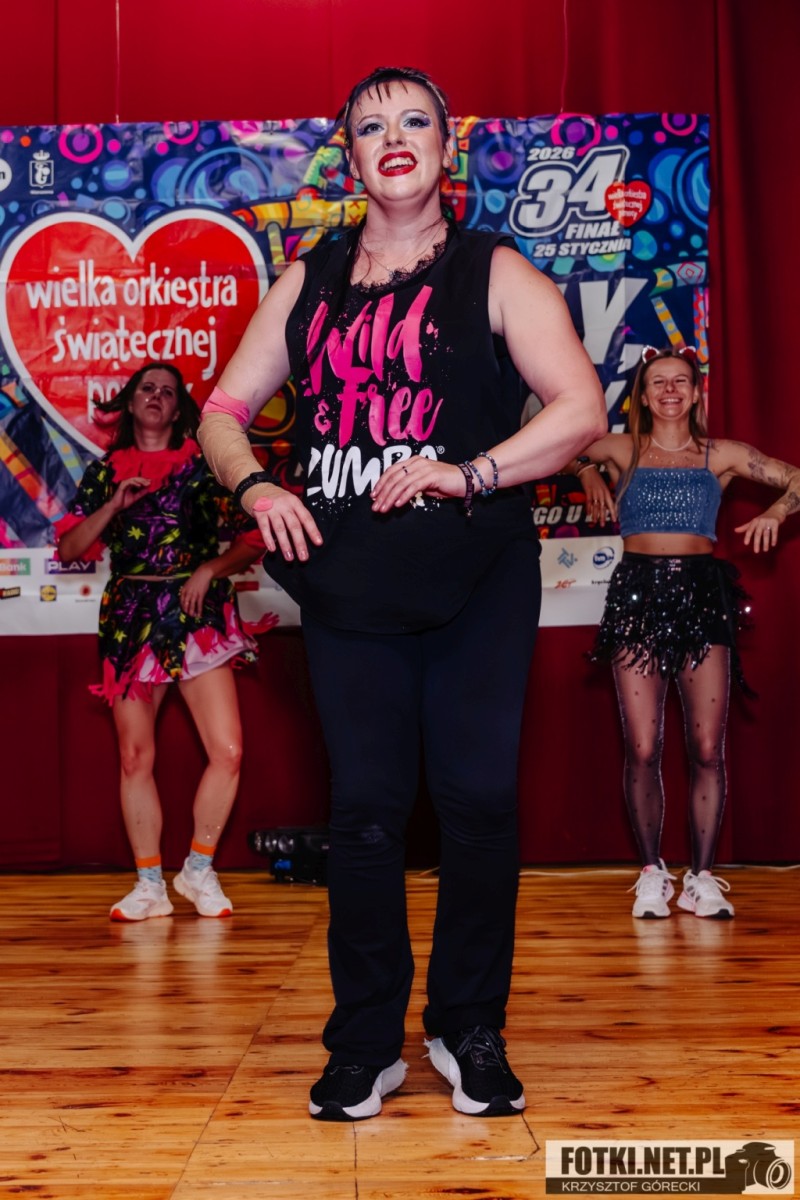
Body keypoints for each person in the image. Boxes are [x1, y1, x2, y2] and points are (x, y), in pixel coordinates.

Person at [198, 65, 607, 1122]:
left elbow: (579, 409)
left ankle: (468, 1028)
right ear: (347, 155)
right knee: (367, 814)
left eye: (415, 120)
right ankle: (365, 1041)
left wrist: (471, 471)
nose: (394, 136)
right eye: (371, 124)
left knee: (477, 804)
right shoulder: (309, 279)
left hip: (476, 574)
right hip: (352, 583)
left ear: (443, 147)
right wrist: (256, 485)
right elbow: (222, 410)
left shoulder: (495, 270)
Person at [578, 345, 800, 920]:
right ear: (642, 396)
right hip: (637, 594)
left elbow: (795, 478)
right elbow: (554, 445)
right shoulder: (620, 449)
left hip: (702, 596)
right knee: (642, 745)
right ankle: (652, 873)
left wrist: (776, 512)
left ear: (697, 392)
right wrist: (585, 471)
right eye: (658, 382)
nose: (670, 390)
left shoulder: (720, 454)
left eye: (681, 381)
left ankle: (701, 877)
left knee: (706, 747)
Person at [58, 363, 268, 922]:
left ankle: (198, 868)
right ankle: (149, 885)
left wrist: (210, 569)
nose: (156, 396)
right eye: (146, 389)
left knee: (228, 751)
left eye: (168, 392)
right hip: (131, 620)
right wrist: (113, 506)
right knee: (135, 756)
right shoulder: (105, 473)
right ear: (130, 404)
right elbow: (71, 549)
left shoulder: (204, 469)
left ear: (179, 410)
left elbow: (256, 536)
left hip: (196, 616)